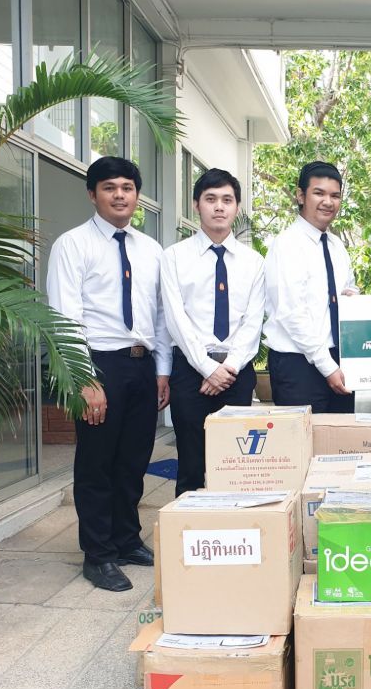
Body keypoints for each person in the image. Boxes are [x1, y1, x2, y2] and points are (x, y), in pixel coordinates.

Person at [46, 156, 171, 592]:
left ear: (138, 195)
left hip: (141, 365)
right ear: (92, 193)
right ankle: (97, 555)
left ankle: (126, 539)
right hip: (98, 364)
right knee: (97, 463)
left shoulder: (150, 250)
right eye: (109, 187)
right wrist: (83, 377)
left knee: (134, 460)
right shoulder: (72, 245)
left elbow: (159, 316)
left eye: (127, 187)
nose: (120, 195)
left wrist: (162, 371)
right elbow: (65, 316)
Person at [160, 168, 263, 496]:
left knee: (235, 463)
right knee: (190, 462)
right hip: (190, 373)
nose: (219, 207)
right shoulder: (174, 257)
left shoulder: (253, 262)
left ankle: (231, 536)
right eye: (211, 199)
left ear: (236, 207)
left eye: (227, 200)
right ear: (196, 205)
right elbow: (176, 318)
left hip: (237, 373)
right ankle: (189, 535)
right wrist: (207, 368)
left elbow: (253, 321)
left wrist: (227, 368)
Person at [263, 160, 359, 413]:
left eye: (335, 195)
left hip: (338, 361)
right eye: (319, 193)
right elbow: (291, 313)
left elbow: (347, 290)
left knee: (340, 446)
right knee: (304, 446)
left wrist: (353, 300)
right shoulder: (287, 245)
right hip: (298, 366)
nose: (328, 201)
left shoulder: (337, 246)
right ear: (300, 196)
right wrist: (327, 367)